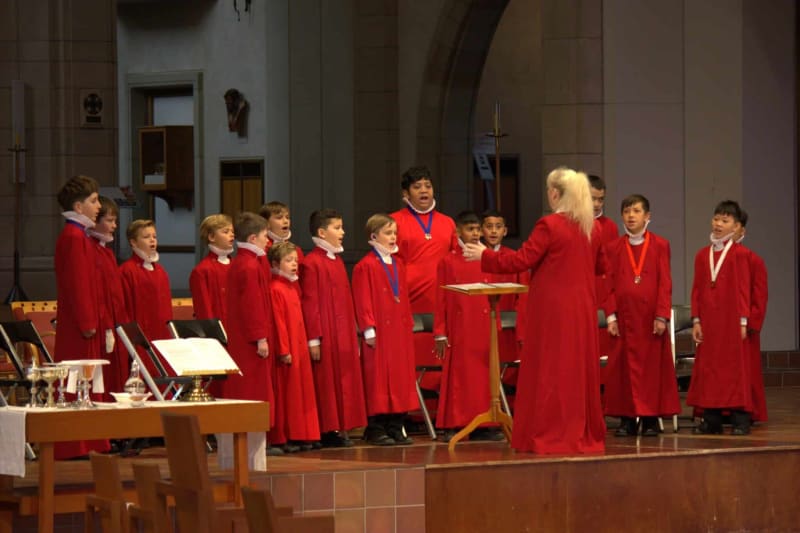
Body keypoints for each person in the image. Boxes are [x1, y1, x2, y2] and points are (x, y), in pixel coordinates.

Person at [463, 167, 606, 454]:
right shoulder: (594, 227)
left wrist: (485, 255)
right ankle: (579, 432)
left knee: (550, 370)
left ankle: (549, 433)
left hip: (552, 310)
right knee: (576, 371)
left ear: (554, 193)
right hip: (582, 309)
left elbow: (521, 260)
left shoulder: (550, 225)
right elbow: (601, 267)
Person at [602, 194, 680, 437]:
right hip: (624, 319)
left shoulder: (660, 245)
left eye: (636, 211)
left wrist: (661, 316)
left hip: (649, 320)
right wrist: (611, 316)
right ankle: (626, 419)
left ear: (647, 216)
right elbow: (608, 285)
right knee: (623, 369)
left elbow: (665, 283)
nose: (631, 216)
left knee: (650, 370)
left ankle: (649, 419)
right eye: (626, 211)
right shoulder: (613, 247)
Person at [53, 175, 110, 459]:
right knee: (78, 380)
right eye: (93, 200)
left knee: (88, 381)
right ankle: (75, 443)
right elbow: (78, 285)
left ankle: (89, 441)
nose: (98, 206)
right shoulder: (74, 237)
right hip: (79, 326)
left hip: (85, 323)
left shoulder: (80, 236)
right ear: (78, 206)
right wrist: (88, 322)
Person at [299, 209, 366, 447]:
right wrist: (314, 339)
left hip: (342, 333)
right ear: (321, 232)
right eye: (337, 227)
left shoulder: (336, 260)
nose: (343, 232)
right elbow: (310, 303)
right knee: (326, 383)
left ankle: (339, 427)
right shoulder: (311, 263)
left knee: (342, 381)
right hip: (326, 334)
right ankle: (326, 430)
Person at [391, 166, 456, 407]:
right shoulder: (394, 222)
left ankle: (439, 410)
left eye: (427, 185)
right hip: (408, 302)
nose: (424, 191)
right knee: (411, 358)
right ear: (405, 194)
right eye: (417, 187)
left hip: (440, 302)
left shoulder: (448, 223)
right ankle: (412, 410)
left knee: (440, 358)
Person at [435, 211, 502, 442]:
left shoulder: (486, 258)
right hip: (460, 326)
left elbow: (495, 293)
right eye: (469, 229)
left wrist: (498, 326)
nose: (475, 234)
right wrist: (440, 331)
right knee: (461, 376)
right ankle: (456, 422)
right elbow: (440, 298)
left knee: (484, 376)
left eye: (477, 229)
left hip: (484, 324)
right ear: (458, 233)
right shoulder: (448, 261)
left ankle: (486, 422)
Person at [687, 200, 753, 435]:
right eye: (716, 219)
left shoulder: (741, 254)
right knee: (709, 370)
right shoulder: (702, 255)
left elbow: (744, 289)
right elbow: (696, 290)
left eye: (725, 221)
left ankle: (740, 420)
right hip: (708, 322)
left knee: (733, 370)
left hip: (731, 321)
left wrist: (743, 321)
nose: (718, 224)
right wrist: (696, 320)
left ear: (736, 227)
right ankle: (711, 419)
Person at [352, 214, 417, 446]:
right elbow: (362, 299)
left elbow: (404, 297)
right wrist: (368, 328)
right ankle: (376, 427)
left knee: (399, 378)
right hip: (379, 331)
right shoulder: (365, 266)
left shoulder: (399, 263)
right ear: (373, 236)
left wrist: (407, 322)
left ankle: (395, 425)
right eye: (388, 233)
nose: (393, 237)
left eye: (394, 233)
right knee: (379, 378)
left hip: (399, 329)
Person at [223, 212, 278, 451]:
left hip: (243, 337)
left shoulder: (246, 262)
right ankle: (253, 439)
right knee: (253, 388)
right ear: (254, 238)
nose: (268, 240)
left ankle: (253, 438)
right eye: (266, 235)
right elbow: (252, 305)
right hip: (249, 341)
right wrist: (260, 337)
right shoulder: (249, 266)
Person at [267, 241, 320, 453]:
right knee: (289, 395)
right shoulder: (275, 289)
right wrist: (284, 350)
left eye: (295, 261)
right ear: (275, 263)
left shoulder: (291, 288)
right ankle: (286, 435)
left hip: (299, 348)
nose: (294, 265)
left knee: (301, 394)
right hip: (288, 349)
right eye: (288, 261)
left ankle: (301, 434)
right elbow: (278, 323)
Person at [481, 209, 528, 394]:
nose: (493, 231)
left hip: (509, 327)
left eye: (498, 227)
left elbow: (523, 294)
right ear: (481, 230)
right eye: (489, 227)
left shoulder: (514, 258)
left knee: (509, 372)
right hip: (482, 325)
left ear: (505, 231)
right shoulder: (475, 257)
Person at [119, 219, 173, 377]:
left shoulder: (160, 271)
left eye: (154, 236)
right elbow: (124, 308)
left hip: (161, 334)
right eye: (146, 237)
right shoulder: (126, 271)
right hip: (141, 336)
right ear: (133, 242)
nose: (152, 240)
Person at [88, 196, 130, 396]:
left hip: (114, 322)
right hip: (103, 323)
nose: (114, 226)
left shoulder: (107, 252)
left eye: (115, 221)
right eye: (109, 220)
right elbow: (97, 293)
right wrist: (106, 325)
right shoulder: (91, 250)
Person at [735, 210, 769, 424]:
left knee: (746, 372)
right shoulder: (709, 257)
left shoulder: (753, 260)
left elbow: (760, 295)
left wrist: (752, 323)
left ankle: (746, 410)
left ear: (741, 230)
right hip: (721, 327)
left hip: (744, 328)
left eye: (730, 222)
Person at [189, 214, 234, 325]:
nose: (232, 235)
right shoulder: (202, 271)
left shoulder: (237, 266)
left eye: (232, 231)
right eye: (225, 231)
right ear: (211, 237)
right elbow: (204, 310)